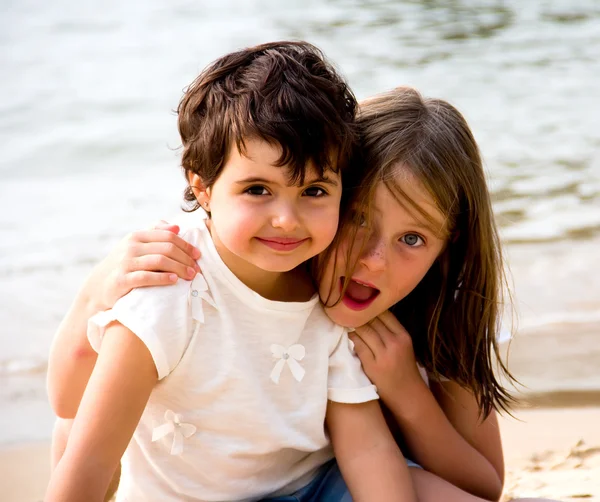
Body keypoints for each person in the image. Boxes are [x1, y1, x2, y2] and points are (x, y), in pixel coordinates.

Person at [47, 85, 559, 502]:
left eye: (413, 238)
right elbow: (69, 407)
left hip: (333, 479)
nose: (373, 260)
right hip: (189, 475)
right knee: (77, 432)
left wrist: (404, 388)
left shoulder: (443, 315)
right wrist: (96, 294)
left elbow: (485, 485)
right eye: (358, 218)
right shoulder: (251, 274)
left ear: (448, 250)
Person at [45, 41, 416, 502]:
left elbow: (366, 447)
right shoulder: (169, 287)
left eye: (315, 191)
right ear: (202, 187)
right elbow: (91, 456)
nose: (287, 219)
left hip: (312, 487)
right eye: (258, 189)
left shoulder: (326, 280)